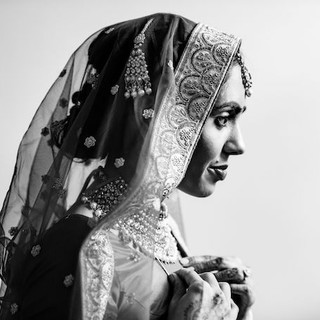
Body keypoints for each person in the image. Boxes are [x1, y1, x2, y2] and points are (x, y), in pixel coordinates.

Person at [0, 13, 254, 320]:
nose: (238, 145)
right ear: (156, 117)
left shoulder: (163, 228)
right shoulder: (78, 247)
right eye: (222, 119)